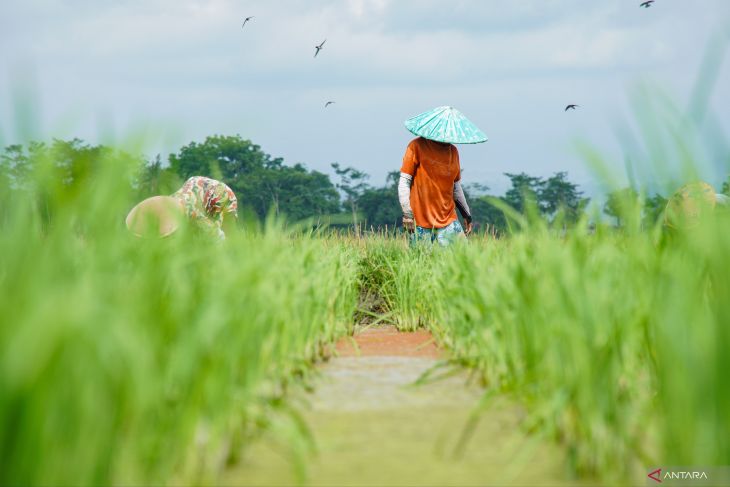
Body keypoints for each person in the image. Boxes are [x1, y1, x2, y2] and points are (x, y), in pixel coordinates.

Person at [397, 106, 488, 247]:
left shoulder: (453, 151)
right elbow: (404, 181)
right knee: (421, 263)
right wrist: (407, 214)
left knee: (463, 259)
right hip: (420, 221)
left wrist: (466, 214)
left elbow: (456, 187)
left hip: (448, 220)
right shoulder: (416, 146)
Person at [126, 176, 238, 240]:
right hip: (195, 188)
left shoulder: (190, 210)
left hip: (220, 194)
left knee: (224, 238)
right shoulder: (167, 204)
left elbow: (216, 235)